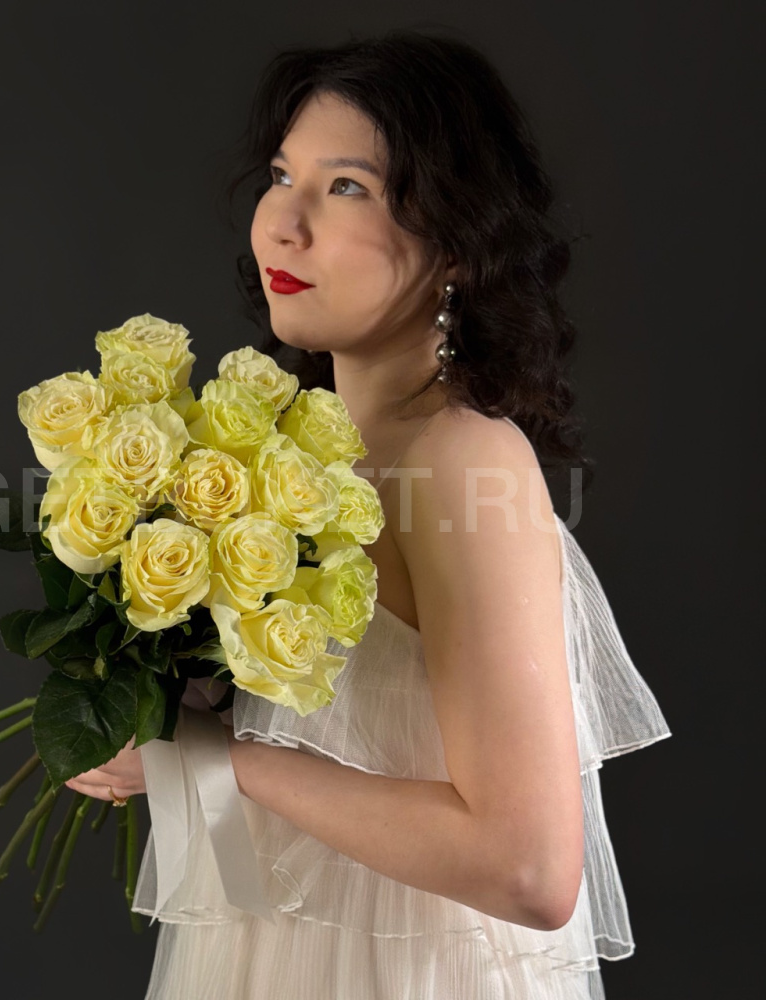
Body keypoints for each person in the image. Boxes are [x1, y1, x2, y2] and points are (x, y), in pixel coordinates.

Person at [64, 30, 670, 999]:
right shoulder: (297, 457)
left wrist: (220, 758)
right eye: (281, 176)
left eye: (345, 186)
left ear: (457, 244)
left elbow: (527, 866)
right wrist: (166, 700)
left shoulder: (462, 462)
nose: (283, 223)